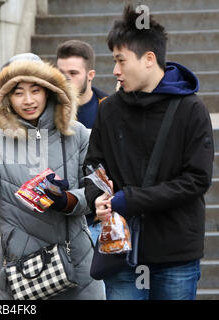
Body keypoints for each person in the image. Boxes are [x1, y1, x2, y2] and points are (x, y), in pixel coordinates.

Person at [83, 5, 213, 300]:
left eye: (120, 60)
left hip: (175, 252)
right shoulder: (110, 110)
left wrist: (132, 199)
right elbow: (93, 165)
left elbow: (196, 179)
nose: (114, 70)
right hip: (120, 247)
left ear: (149, 59)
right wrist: (97, 197)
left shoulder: (191, 109)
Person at [0, 53, 105, 300]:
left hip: (78, 265)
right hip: (21, 269)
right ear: (7, 97)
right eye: (18, 92)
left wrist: (68, 200)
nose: (28, 100)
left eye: (35, 90)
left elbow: (96, 187)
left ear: (49, 91)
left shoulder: (78, 134)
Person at [56, 39, 108, 246]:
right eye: (60, 73)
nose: (65, 79)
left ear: (90, 75)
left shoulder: (108, 108)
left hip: (98, 218)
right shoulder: (48, 111)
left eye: (74, 73)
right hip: (61, 215)